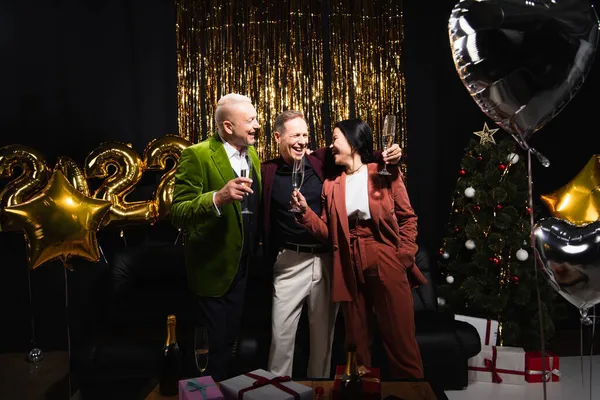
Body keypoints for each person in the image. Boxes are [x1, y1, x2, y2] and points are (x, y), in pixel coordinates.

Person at [262, 111, 402, 378]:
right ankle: (277, 393)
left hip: (328, 260)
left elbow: (362, 153)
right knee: (280, 338)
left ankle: (318, 392)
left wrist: (393, 154)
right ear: (278, 137)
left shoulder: (320, 160)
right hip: (290, 261)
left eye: (305, 134)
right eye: (295, 135)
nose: (302, 141)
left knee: (323, 341)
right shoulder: (267, 172)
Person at [290, 118, 426, 379]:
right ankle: (362, 391)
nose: (331, 146)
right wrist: (305, 213)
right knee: (355, 342)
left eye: (336, 139)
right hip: (347, 262)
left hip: (384, 255)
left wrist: (404, 256)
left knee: (400, 339)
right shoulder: (331, 186)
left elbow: (408, 217)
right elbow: (330, 234)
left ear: (353, 143)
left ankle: (414, 391)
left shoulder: (383, 172)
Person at [170, 93, 261, 381]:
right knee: (212, 352)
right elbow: (178, 211)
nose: (258, 125)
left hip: (243, 269)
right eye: (250, 120)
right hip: (212, 270)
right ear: (227, 126)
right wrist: (217, 198)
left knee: (230, 347)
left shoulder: (253, 153)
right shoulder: (197, 155)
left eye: (256, 118)